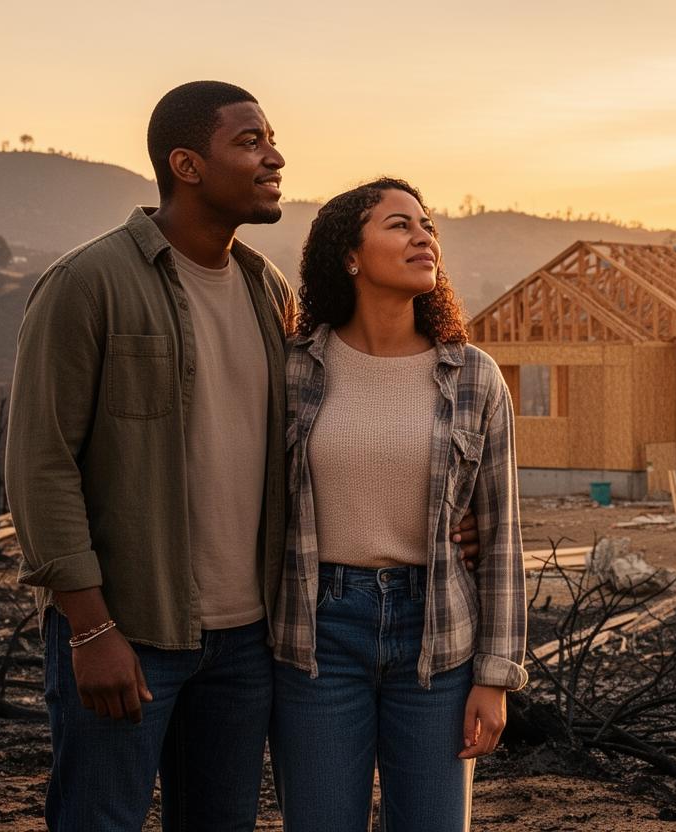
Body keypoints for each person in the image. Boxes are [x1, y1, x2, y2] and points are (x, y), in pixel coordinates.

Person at [6, 82, 482, 831]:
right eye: (251, 142)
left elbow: (324, 446)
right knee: (99, 820)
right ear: (188, 165)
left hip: (249, 641)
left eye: (271, 140)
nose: (275, 158)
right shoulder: (88, 284)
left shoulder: (267, 291)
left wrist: (443, 522)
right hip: (130, 628)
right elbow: (40, 465)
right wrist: (91, 628)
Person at [269, 177, 526, 832]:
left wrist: (495, 675)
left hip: (436, 633)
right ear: (349, 256)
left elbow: (500, 540)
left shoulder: (474, 377)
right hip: (318, 632)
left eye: (427, 225)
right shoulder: (292, 371)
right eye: (398, 225)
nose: (422, 237)